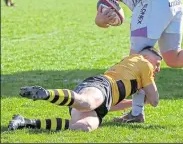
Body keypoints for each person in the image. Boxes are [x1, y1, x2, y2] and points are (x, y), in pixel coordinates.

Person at [8, 47, 162, 132]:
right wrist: (148, 98)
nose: (158, 68)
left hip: (104, 100)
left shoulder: (133, 72)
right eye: (157, 63)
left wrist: (134, 103)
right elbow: (155, 100)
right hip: (102, 85)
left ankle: (25, 122)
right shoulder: (143, 62)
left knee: (84, 127)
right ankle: (45, 93)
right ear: (147, 58)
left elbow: (111, 104)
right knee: (87, 103)